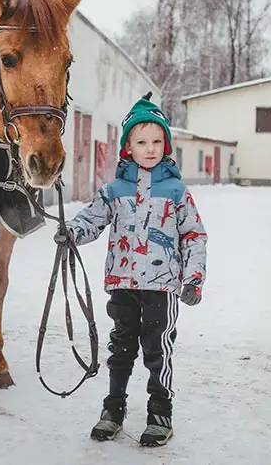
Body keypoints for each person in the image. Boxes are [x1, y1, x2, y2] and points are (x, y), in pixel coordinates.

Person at [55, 92, 208, 447]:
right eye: (141, 142)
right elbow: (92, 220)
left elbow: (194, 235)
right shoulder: (114, 190)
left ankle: (160, 411)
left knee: (158, 349)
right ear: (128, 147)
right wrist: (72, 232)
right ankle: (114, 407)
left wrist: (194, 277)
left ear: (166, 145)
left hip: (162, 286)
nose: (150, 148)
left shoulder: (176, 191)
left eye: (157, 141)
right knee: (121, 347)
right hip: (123, 283)